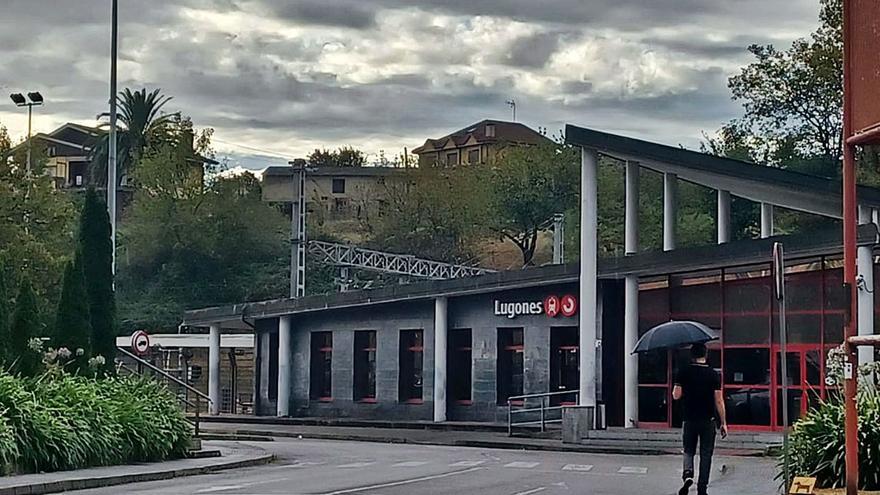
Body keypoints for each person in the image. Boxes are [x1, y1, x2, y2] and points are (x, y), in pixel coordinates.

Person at [672, 343, 728, 495]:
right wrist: (723, 422)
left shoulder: (683, 372)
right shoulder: (713, 374)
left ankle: (688, 475)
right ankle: (702, 487)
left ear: (692, 355)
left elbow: (676, 395)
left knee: (688, 450)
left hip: (689, 419)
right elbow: (718, 400)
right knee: (706, 454)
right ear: (706, 354)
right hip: (708, 420)